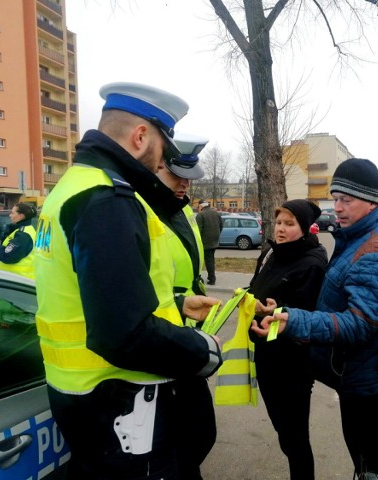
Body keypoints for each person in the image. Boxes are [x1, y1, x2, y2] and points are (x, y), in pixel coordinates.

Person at [33, 82, 223, 480]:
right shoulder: (108, 199)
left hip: (84, 397)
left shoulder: (71, 187)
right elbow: (125, 333)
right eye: (163, 148)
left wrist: (175, 301)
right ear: (140, 137)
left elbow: (95, 292)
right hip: (121, 403)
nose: (161, 162)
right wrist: (202, 349)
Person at [252, 158, 378, 479]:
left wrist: (291, 319)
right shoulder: (361, 235)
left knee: (369, 463)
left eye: (346, 200)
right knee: (365, 459)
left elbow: (358, 325)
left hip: (364, 380)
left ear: (371, 201)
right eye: (335, 198)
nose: (337, 207)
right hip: (357, 372)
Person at [249, 199, 328, 479]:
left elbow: (305, 320)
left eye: (289, 224)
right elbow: (256, 286)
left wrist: (274, 314)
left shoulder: (311, 263)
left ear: (305, 229)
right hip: (268, 357)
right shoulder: (275, 252)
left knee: (294, 440)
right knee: (285, 434)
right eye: (279, 222)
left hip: (292, 366)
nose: (280, 229)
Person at [155, 131, 216, 480]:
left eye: (187, 179)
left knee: (200, 433)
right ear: (155, 167)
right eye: (175, 176)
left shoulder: (182, 211)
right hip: (160, 334)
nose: (182, 185)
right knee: (185, 438)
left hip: (185, 329)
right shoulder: (140, 210)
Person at [0, 203, 37, 278]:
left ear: (21, 216)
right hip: (16, 278)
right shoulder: (23, 230)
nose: (10, 215)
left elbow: (8, 257)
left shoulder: (23, 235)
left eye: (12, 213)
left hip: (19, 280)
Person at [196, 199, 223, 285]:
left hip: (205, 242)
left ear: (200, 206)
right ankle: (210, 277)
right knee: (210, 259)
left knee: (208, 260)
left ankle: (212, 279)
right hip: (215, 240)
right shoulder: (216, 213)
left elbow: (198, 230)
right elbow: (221, 226)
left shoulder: (200, 215)